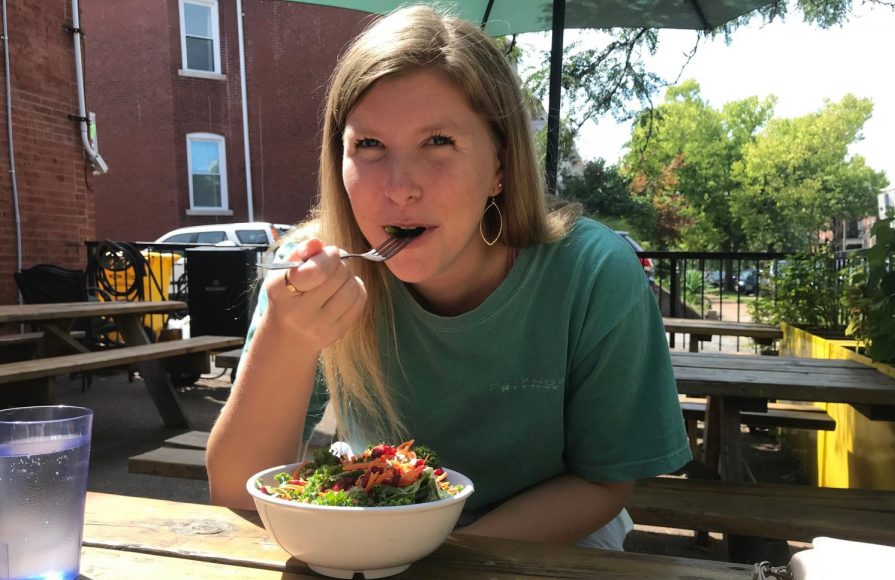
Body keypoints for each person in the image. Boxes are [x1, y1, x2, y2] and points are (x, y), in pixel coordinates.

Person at [206, 5, 691, 549]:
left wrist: (441, 558)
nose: (400, 186)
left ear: (500, 167)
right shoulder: (309, 271)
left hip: (555, 545)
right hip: (376, 535)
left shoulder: (594, 272)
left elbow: (603, 479)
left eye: (438, 142)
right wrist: (287, 339)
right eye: (369, 145)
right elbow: (236, 488)